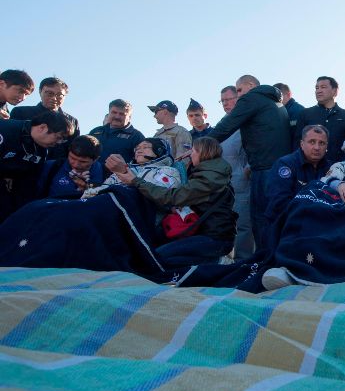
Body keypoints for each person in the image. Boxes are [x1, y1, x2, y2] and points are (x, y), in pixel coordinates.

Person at [114, 137, 236, 268]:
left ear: (203, 152)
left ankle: (217, 263)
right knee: (154, 250)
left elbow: (172, 197)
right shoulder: (210, 173)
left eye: (193, 151)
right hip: (206, 233)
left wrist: (136, 181)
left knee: (157, 259)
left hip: (215, 238)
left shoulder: (209, 178)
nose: (190, 155)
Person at [206, 74, 291, 249]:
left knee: (260, 218)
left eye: (239, 90)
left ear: (251, 85)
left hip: (264, 168)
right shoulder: (275, 103)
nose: (238, 95)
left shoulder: (252, 98)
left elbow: (226, 126)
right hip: (281, 168)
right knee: (277, 217)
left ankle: (263, 259)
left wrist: (202, 145)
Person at [0, 110, 74, 222]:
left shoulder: (41, 151)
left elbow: (29, 180)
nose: (58, 143)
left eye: (62, 140)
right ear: (42, 127)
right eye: (58, 137)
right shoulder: (6, 130)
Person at [264, 124, 332, 226]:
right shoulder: (285, 164)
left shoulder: (331, 168)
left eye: (321, 143)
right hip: (285, 225)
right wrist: (312, 215)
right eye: (312, 142)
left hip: (318, 225)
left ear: (327, 146)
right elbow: (279, 202)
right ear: (302, 144)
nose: (317, 147)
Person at [218, 84, 254, 261]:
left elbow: (256, 146)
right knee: (225, 224)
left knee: (243, 225)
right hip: (223, 183)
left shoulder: (247, 121)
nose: (225, 103)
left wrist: (248, 167)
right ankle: (227, 261)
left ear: (238, 99)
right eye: (222, 101)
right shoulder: (223, 123)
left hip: (242, 181)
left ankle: (243, 261)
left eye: (228, 99)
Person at [83, 137, 182, 199]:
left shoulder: (168, 171)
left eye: (145, 147)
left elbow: (161, 195)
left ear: (160, 151)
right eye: (137, 148)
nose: (139, 151)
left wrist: (126, 173)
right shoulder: (123, 169)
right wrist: (87, 191)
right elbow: (102, 189)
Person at [292, 76, 345, 163]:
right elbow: (297, 144)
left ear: (335, 91)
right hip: (311, 168)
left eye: (323, 87)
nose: (318, 91)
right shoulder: (305, 114)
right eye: (317, 88)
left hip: (340, 167)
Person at [10, 76, 79, 160]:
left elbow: (73, 149)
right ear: (40, 92)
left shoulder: (72, 121)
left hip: (56, 165)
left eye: (59, 95)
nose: (54, 98)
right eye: (49, 93)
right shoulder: (21, 112)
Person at [37, 134, 104, 199]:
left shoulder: (105, 174)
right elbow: (36, 196)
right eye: (72, 158)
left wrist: (86, 190)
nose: (76, 164)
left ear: (95, 159)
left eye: (83, 162)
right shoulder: (51, 167)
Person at [89, 99, 145, 164]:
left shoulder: (136, 136)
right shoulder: (96, 131)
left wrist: (124, 168)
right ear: (109, 113)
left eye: (122, 114)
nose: (117, 117)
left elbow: (142, 163)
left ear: (129, 117)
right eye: (114, 112)